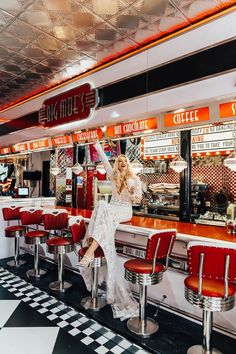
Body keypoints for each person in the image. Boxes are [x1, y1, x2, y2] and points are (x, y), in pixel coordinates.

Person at [79, 141, 142, 320]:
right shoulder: (113, 175)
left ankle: (90, 249)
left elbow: (138, 201)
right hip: (111, 210)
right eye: (120, 161)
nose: (122, 163)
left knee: (103, 207)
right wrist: (98, 145)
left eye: (125, 161)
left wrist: (132, 193)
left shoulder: (135, 179)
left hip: (124, 211)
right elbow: (104, 160)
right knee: (101, 204)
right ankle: (91, 251)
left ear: (128, 164)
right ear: (117, 164)